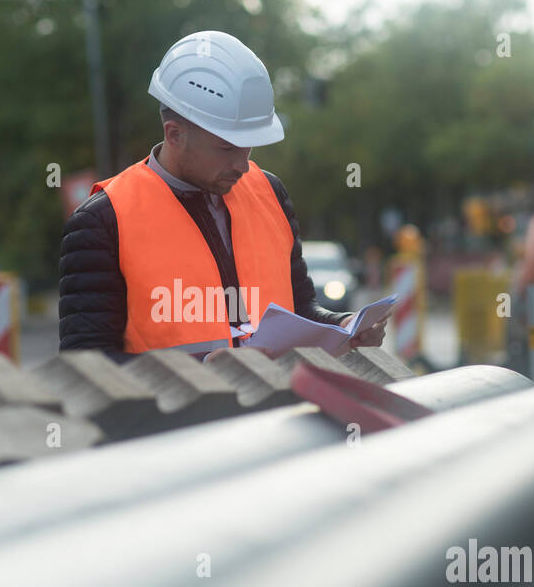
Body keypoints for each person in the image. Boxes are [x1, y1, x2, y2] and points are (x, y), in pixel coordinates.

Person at [59, 30, 387, 361]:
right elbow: (87, 365)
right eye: (227, 148)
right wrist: (198, 369)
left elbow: (300, 308)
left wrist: (341, 325)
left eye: (248, 146)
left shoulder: (270, 193)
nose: (242, 165)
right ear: (175, 134)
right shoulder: (101, 221)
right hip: (177, 412)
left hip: (275, 408)